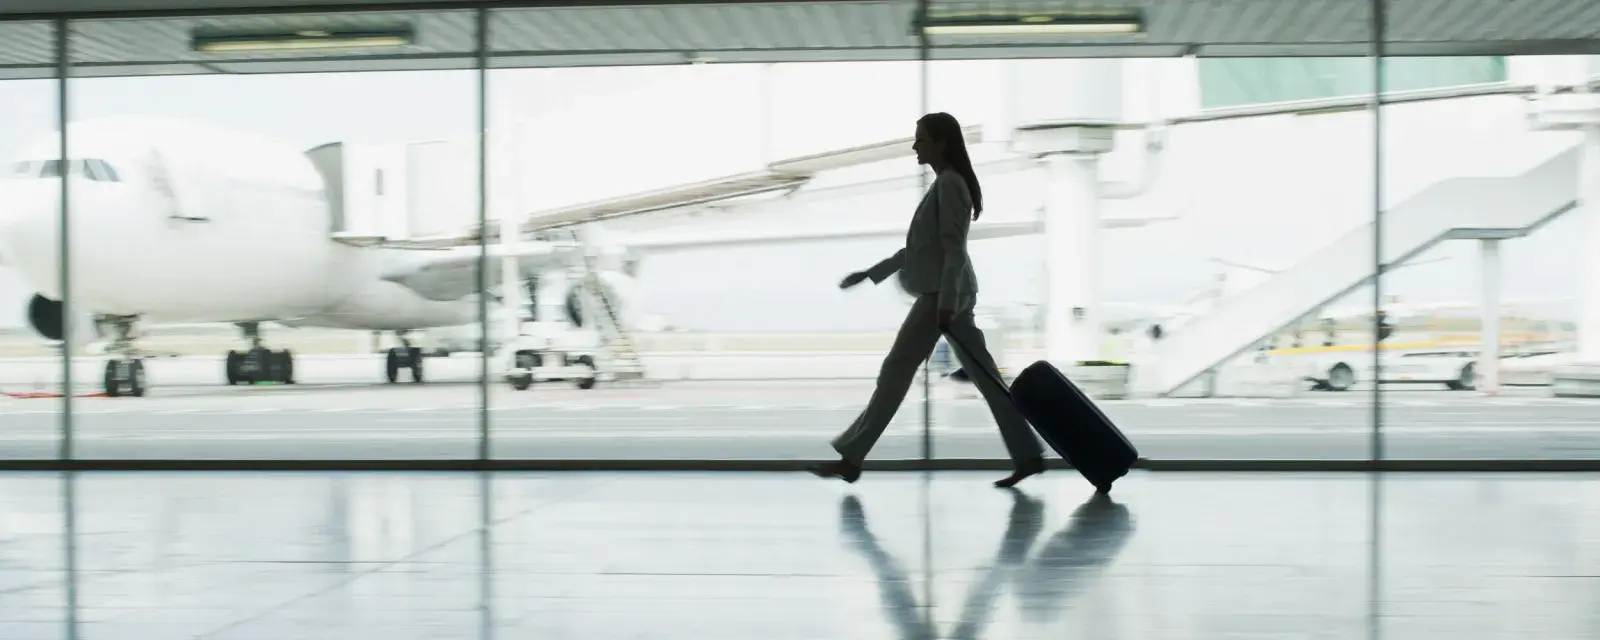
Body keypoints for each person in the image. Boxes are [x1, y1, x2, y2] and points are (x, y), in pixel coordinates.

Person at [809, 112, 1046, 488]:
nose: (915, 145)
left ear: (941, 142)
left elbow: (953, 250)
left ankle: (852, 458)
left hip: (942, 296)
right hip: (947, 294)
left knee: (897, 371)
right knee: (982, 379)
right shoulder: (944, 184)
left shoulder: (950, 185)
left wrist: (947, 306)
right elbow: (918, 251)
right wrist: (872, 274)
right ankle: (1028, 455)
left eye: (921, 138)